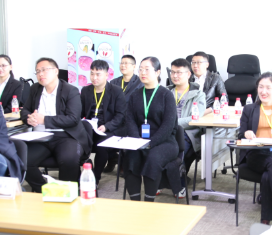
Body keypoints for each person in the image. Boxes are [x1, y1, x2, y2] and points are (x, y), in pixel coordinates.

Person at [20, 58, 92, 191]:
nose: (40, 74)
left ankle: (68, 194)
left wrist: (44, 120)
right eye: (37, 71)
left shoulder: (70, 90)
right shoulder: (35, 88)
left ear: (56, 71)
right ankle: (45, 190)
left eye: (44, 70)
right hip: (40, 137)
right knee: (22, 160)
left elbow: (73, 119)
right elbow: (25, 110)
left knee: (68, 160)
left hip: (66, 136)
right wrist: (28, 118)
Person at [237, 72, 272, 224]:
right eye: (261, 87)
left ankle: (265, 220)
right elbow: (240, 134)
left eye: (268, 88)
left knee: (267, 175)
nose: (263, 91)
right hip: (257, 155)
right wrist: (246, 133)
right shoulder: (249, 109)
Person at [123, 57, 178, 202]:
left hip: (164, 142)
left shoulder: (166, 95)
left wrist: (150, 142)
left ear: (158, 72)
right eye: (140, 69)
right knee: (131, 156)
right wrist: (137, 140)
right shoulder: (135, 95)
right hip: (139, 139)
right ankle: (135, 202)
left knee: (153, 158)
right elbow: (130, 120)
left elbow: (168, 126)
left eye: (147, 69)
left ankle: (149, 202)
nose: (142, 73)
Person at [81, 59, 126, 184]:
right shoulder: (86, 91)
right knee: (77, 139)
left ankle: (95, 178)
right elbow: (80, 112)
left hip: (109, 128)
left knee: (102, 145)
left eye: (98, 74)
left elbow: (120, 115)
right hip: (90, 127)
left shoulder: (116, 91)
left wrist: (107, 126)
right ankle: (81, 171)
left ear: (106, 75)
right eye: (92, 74)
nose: (94, 77)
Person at [169, 59, 206, 184]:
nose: (175, 76)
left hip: (188, 133)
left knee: (176, 150)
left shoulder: (198, 94)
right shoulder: (166, 92)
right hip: (167, 131)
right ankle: (166, 180)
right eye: (173, 72)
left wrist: (172, 123)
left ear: (188, 74)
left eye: (179, 72)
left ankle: (178, 183)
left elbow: (195, 118)